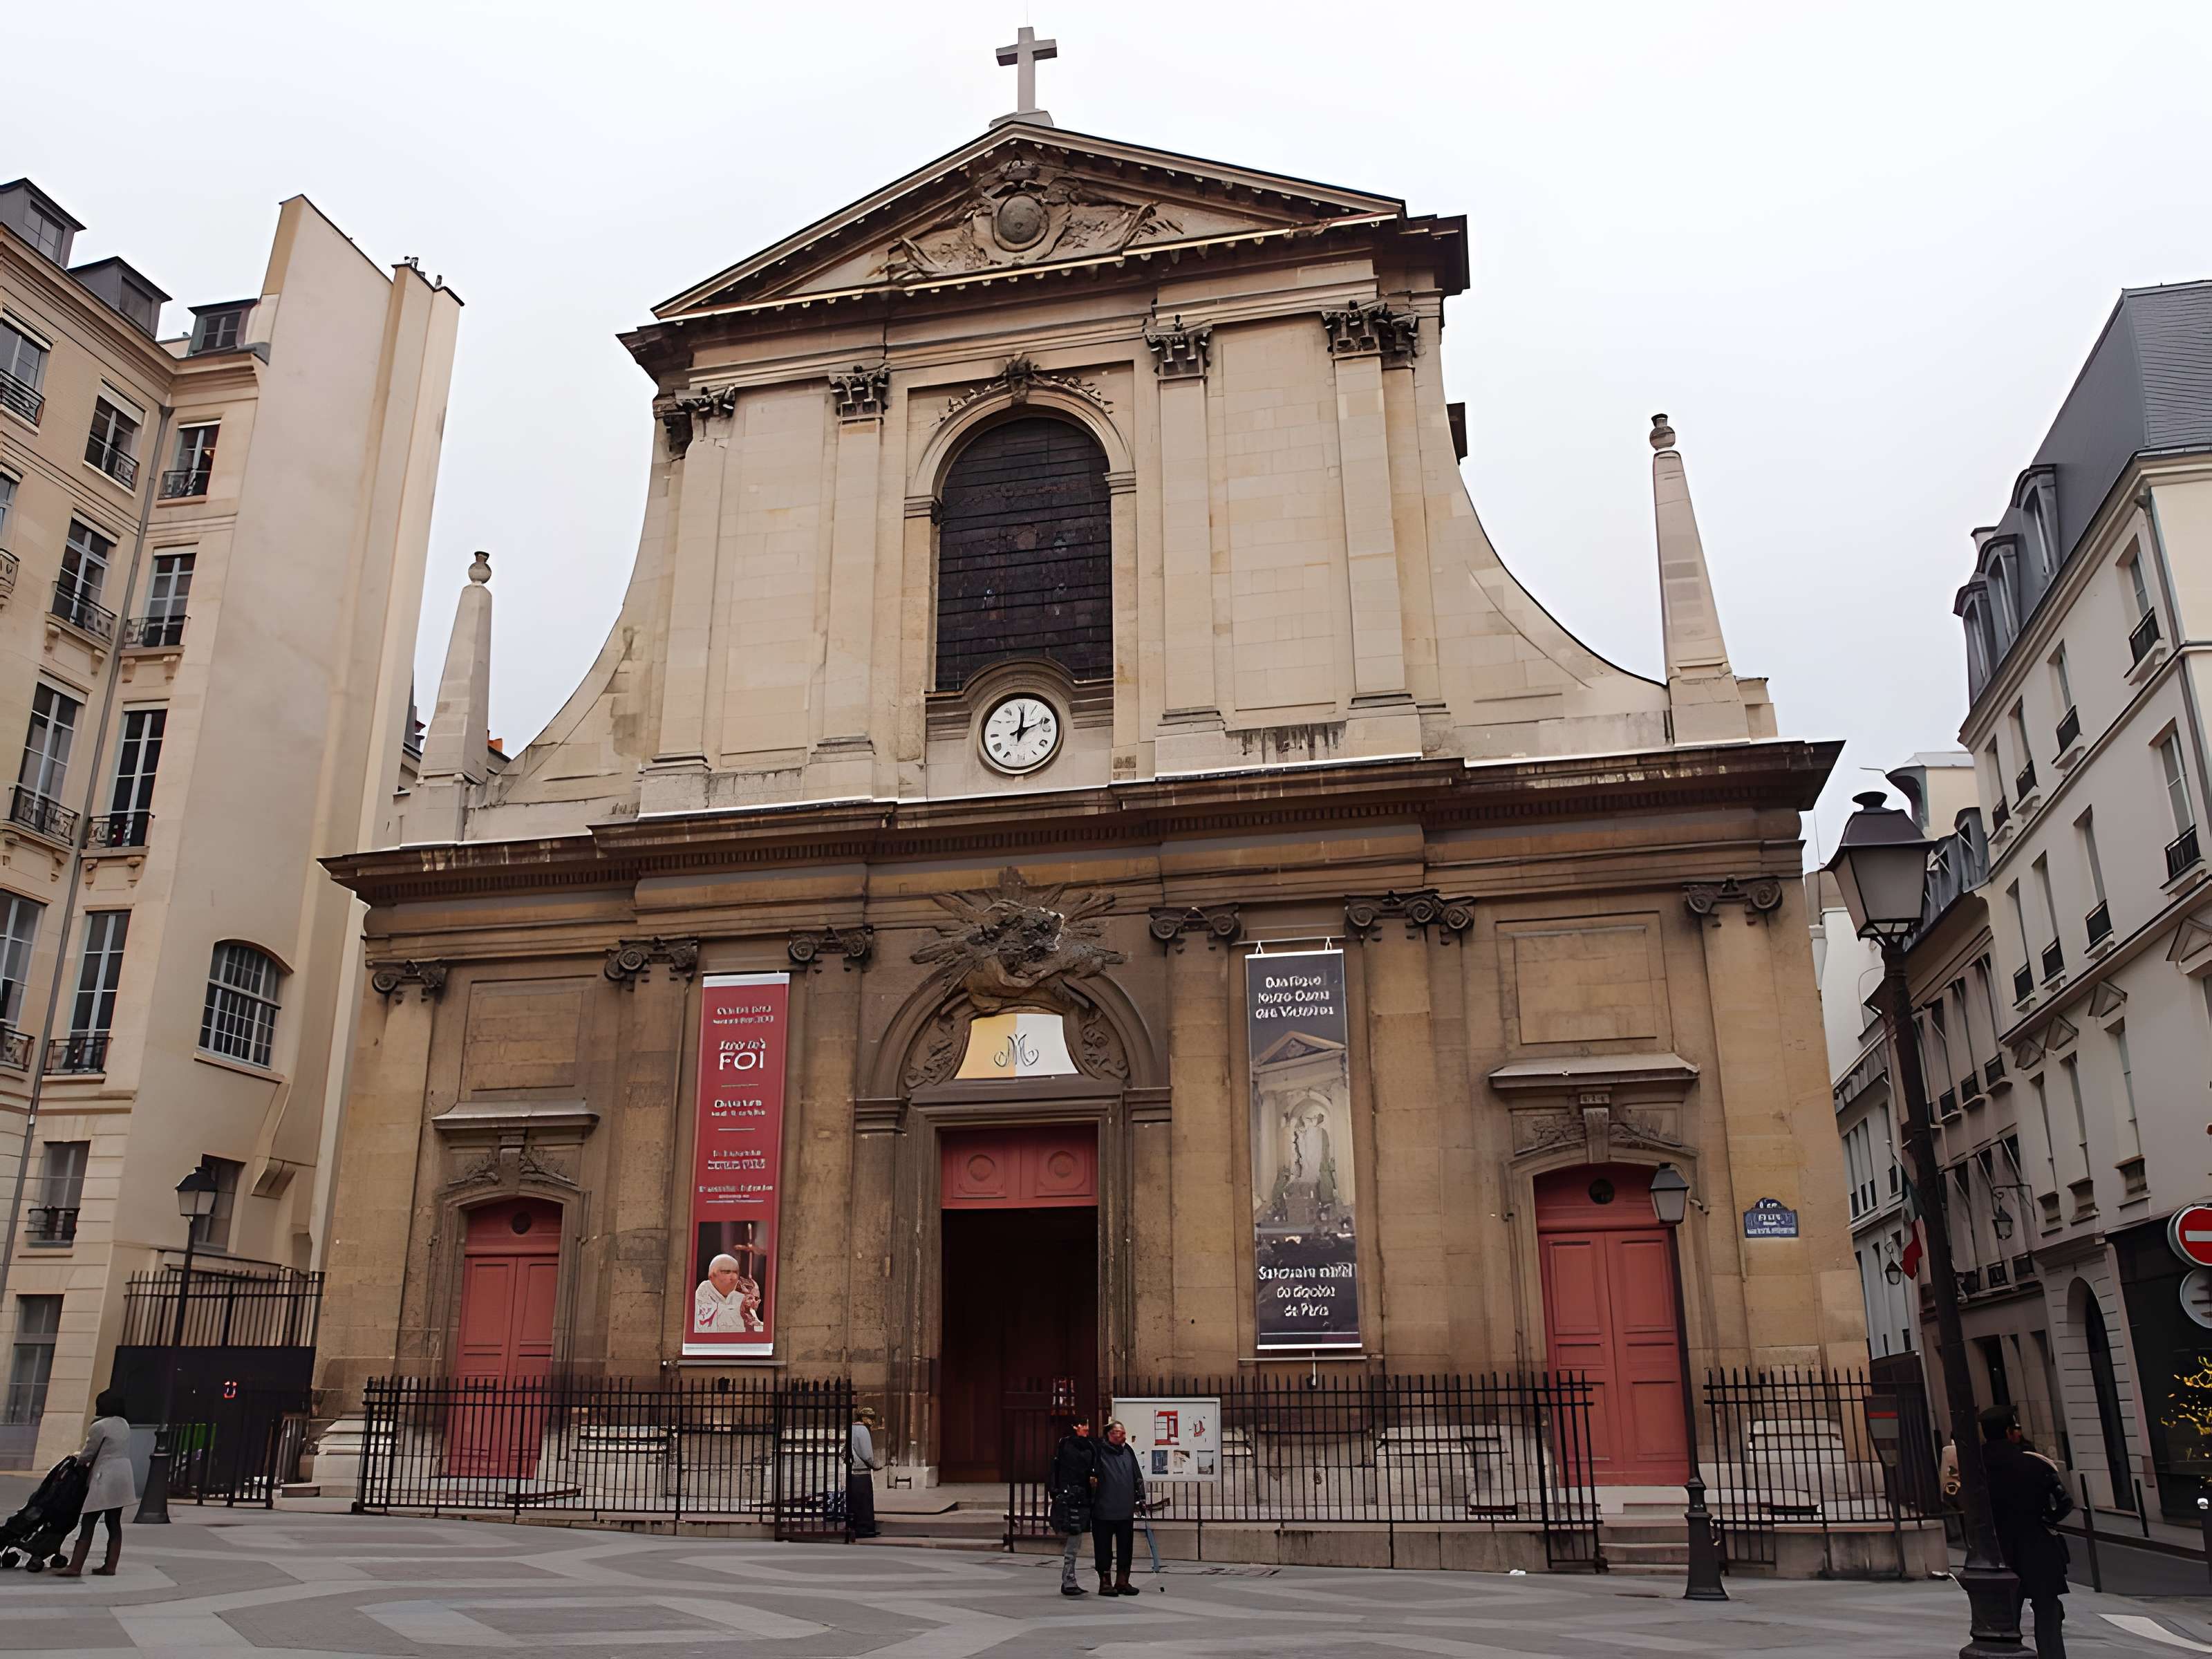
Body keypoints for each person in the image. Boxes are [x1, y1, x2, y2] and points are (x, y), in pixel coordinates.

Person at [1978, 1405, 2072, 1657]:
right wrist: (2047, 1519)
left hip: (1996, 1551)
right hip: (2037, 1545)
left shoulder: (1976, 1468)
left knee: (2004, 1619)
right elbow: (2064, 1502)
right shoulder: (2034, 1463)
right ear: (2010, 1432)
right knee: (2048, 1612)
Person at [55, 1389, 134, 1579]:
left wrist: (77, 1459)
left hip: (104, 1475)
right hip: (123, 1474)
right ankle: (110, 1565)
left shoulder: (100, 1426)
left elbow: (88, 1454)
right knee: (114, 1522)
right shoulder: (124, 1424)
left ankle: (75, 1566)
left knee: (89, 1521)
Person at [1089, 1418, 1146, 1597]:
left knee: (1125, 1547)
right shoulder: (1098, 1451)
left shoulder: (1127, 1450)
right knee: (1103, 1547)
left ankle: (1123, 1580)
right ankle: (1105, 1582)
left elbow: (1137, 1475)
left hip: (1125, 1509)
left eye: (1123, 1433)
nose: (1122, 1436)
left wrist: (1141, 1498)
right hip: (1103, 1510)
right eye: (1118, 1433)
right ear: (1108, 1434)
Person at [1046, 1414, 1096, 1596]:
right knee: (1073, 1539)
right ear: (1075, 1426)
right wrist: (1058, 1493)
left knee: (1077, 1539)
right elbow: (1057, 1471)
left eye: (1087, 1424)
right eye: (1083, 1425)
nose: (1086, 1428)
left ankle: (1070, 1579)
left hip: (1083, 1498)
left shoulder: (1091, 1445)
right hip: (1070, 1498)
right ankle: (1068, 1580)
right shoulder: (1066, 1445)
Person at [693, 1255, 765, 1334]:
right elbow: (703, 1322)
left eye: (736, 1273)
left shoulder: (739, 1295)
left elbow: (756, 1327)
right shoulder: (705, 1290)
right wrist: (739, 1311)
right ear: (712, 1275)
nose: (734, 1277)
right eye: (727, 1272)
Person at [847, 1406, 882, 1539]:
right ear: (863, 1418)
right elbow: (867, 1454)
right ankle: (865, 1529)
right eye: (870, 1418)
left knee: (857, 1502)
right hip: (862, 1471)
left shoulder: (852, 1428)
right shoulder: (862, 1430)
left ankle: (856, 1527)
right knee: (864, 1503)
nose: (872, 1421)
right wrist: (875, 1465)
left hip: (854, 1470)